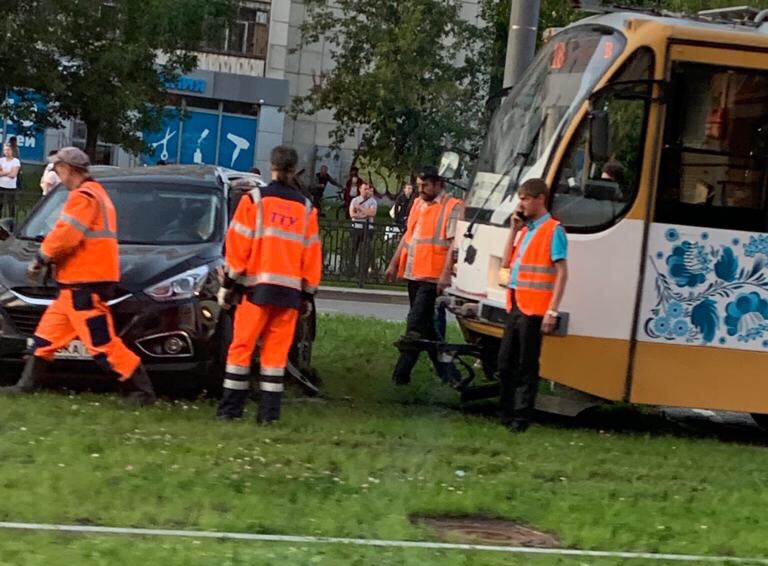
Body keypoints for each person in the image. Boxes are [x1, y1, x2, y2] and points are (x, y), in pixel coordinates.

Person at [0, 147, 156, 405]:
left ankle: (141, 391)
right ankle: (25, 386)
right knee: (45, 338)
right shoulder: (97, 194)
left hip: (84, 284)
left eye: (57, 167)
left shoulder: (82, 197)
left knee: (101, 342)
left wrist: (41, 258)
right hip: (76, 286)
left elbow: (65, 235)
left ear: (68, 169)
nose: (55, 172)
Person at [216, 144, 322, 424]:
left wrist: (228, 283)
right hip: (289, 296)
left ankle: (230, 411)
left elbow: (239, 247)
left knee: (241, 349)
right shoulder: (306, 209)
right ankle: (269, 416)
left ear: (271, 166)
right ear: (295, 169)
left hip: (254, 291)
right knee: (275, 359)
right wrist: (308, 294)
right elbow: (311, 256)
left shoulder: (254, 201)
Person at [497, 178, 568, 432]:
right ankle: (505, 412)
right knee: (505, 362)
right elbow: (507, 262)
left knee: (527, 364)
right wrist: (513, 231)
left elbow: (562, 272)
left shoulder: (553, 230)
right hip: (516, 304)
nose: (521, 204)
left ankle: (521, 417)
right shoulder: (527, 230)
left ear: (540, 199)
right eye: (520, 199)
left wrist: (552, 309)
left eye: (525, 198)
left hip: (535, 308)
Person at [385, 166, 463, 386]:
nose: (421, 190)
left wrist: (446, 273)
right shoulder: (418, 203)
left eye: (425, 185)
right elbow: (408, 237)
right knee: (426, 331)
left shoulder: (452, 206)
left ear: (439, 184)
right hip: (414, 273)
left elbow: (453, 245)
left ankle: (400, 377)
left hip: (433, 277)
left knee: (414, 326)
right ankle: (451, 376)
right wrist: (393, 263)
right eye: (419, 185)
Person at [348, 182, 377, 277]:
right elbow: (352, 214)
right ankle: (350, 271)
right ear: (360, 189)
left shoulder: (373, 201)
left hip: (368, 229)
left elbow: (372, 213)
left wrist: (360, 208)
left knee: (365, 251)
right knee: (353, 249)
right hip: (356, 228)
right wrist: (364, 215)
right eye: (365, 189)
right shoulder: (354, 200)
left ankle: (363, 273)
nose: (367, 191)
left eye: (368, 189)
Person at [0, 143, 21, 217]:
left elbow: (13, 175)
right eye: (5, 150)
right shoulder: (1, 160)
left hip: (11, 187)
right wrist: (8, 171)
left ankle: (10, 224)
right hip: (1, 186)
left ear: (12, 151)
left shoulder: (16, 161)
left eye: (8, 150)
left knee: (11, 206)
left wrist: (3, 172)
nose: (6, 151)